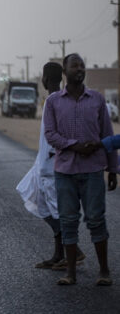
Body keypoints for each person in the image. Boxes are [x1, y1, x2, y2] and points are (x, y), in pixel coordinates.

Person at [43, 53, 117, 287]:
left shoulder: (96, 99)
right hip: (65, 171)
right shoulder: (53, 102)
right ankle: (71, 273)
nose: (80, 69)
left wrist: (113, 169)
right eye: (74, 66)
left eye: (82, 65)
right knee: (68, 221)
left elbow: (107, 135)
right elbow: (50, 134)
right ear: (65, 72)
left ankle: (104, 271)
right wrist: (74, 146)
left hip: (94, 170)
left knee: (96, 219)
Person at [16, 62, 85, 270]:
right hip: (43, 163)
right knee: (32, 195)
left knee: (56, 210)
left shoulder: (55, 100)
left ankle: (74, 252)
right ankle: (58, 254)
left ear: (44, 79)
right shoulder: (53, 100)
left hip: (52, 165)